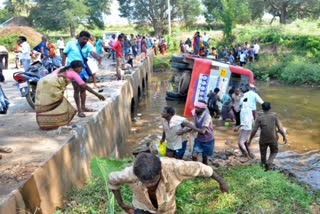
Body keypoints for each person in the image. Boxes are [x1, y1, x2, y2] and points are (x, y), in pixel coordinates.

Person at [109, 152, 228, 214]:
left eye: (153, 182)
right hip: (142, 207)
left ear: (160, 171)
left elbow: (201, 167)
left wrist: (221, 182)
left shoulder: (174, 167)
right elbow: (112, 180)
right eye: (145, 183)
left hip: (168, 209)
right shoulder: (129, 174)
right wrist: (121, 204)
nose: (150, 186)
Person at [35, 60, 105, 130]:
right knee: (62, 104)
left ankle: (46, 123)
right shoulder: (73, 74)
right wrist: (97, 95)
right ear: (76, 68)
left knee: (47, 103)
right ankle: (59, 122)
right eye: (81, 68)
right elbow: (85, 86)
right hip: (52, 85)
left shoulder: (64, 68)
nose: (81, 70)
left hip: (42, 82)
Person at [62, 30, 103, 117]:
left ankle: (83, 106)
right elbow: (64, 54)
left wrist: (97, 57)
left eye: (87, 40)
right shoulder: (71, 44)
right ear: (79, 37)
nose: (85, 41)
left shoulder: (88, 45)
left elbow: (92, 52)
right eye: (84, 39)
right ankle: (79, 110)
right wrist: (63, 66)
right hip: (73, 69)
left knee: (83, 89)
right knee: (76, 89)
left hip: (82, 69)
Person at [247, 102, 287, 170]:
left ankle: (263, 167)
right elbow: (280, 128)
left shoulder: (259, 118)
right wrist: (284, 136)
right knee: (274, 151)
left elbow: (254, 130)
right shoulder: (274, 116)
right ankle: (269, 162)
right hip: (273, 139)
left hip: (263, 139)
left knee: (263, 155)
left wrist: (250, 139)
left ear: (262, 108)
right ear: (270, 108)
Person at [183, 100, 214, 165]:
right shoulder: (195, 112)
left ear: (203, 109)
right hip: (199, 139)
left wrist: (191, 126)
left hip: (208, 139)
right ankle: (196, 168)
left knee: (204, 157)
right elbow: (195, 124)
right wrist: (186, 129)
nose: (196, 109)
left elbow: (203, 131)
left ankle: (205, 168)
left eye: (198, 108)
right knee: (194, 155)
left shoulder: (207, 117)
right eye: (195, 107)